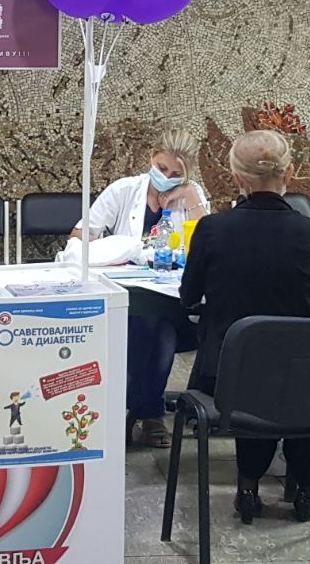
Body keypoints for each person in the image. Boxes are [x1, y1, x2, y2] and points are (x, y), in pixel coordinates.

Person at [180, 130, 310, 524]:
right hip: (298, 373)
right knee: (303, 380)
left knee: (252, 375)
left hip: (225, 376)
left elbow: (189, 296)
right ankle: (309, 489)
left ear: (236, 177)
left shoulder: (211, 230)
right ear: (289, 173)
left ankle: (248, 486)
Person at [72, 129, 209, 450]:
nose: (167, 177)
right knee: (154, 330)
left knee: (159, 327)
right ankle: (148, 413)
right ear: (151, 158)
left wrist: (190, 197)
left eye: (175, 174)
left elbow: (207, 245)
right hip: (128, 301)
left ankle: (130, 412)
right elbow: (79, 237)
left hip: (176, 302)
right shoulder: (124, 190)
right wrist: (116, 252)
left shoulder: (193, 195)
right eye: (161, 168)